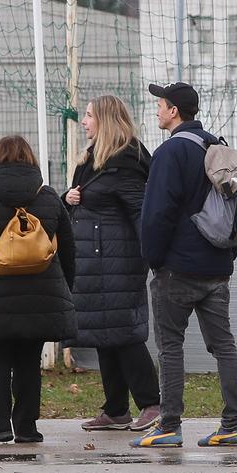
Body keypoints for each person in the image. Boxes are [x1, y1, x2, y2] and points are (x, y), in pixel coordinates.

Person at [131, 82, 237, 449]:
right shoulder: (216, 147)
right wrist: (226, 256)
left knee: (171, 347)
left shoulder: (170, 153)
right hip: (217, 266)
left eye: (160, 105)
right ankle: (233, 425)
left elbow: (156, 214)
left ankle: (169, 424)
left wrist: (154, 260)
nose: (157, 110)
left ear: (173, 111)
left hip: (177, 270)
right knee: (224, 346)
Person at [0, 135, 76, 445]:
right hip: (41, 295)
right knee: (28, 362)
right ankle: (26, 427)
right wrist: (65, 289)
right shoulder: (48, 197)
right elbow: (68, 248)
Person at [64, 95, 161, 433]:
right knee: (104, 334)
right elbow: (83, 205)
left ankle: (152, 403)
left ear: (105, 120)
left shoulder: (126, 162)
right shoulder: (92, 160)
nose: (84, 121)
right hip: (94, 263)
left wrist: (153, 257)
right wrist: (68, 198)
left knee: (124, 333)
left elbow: (140, 213)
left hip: (119, 262)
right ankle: (116, 409)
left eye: (89, 115)